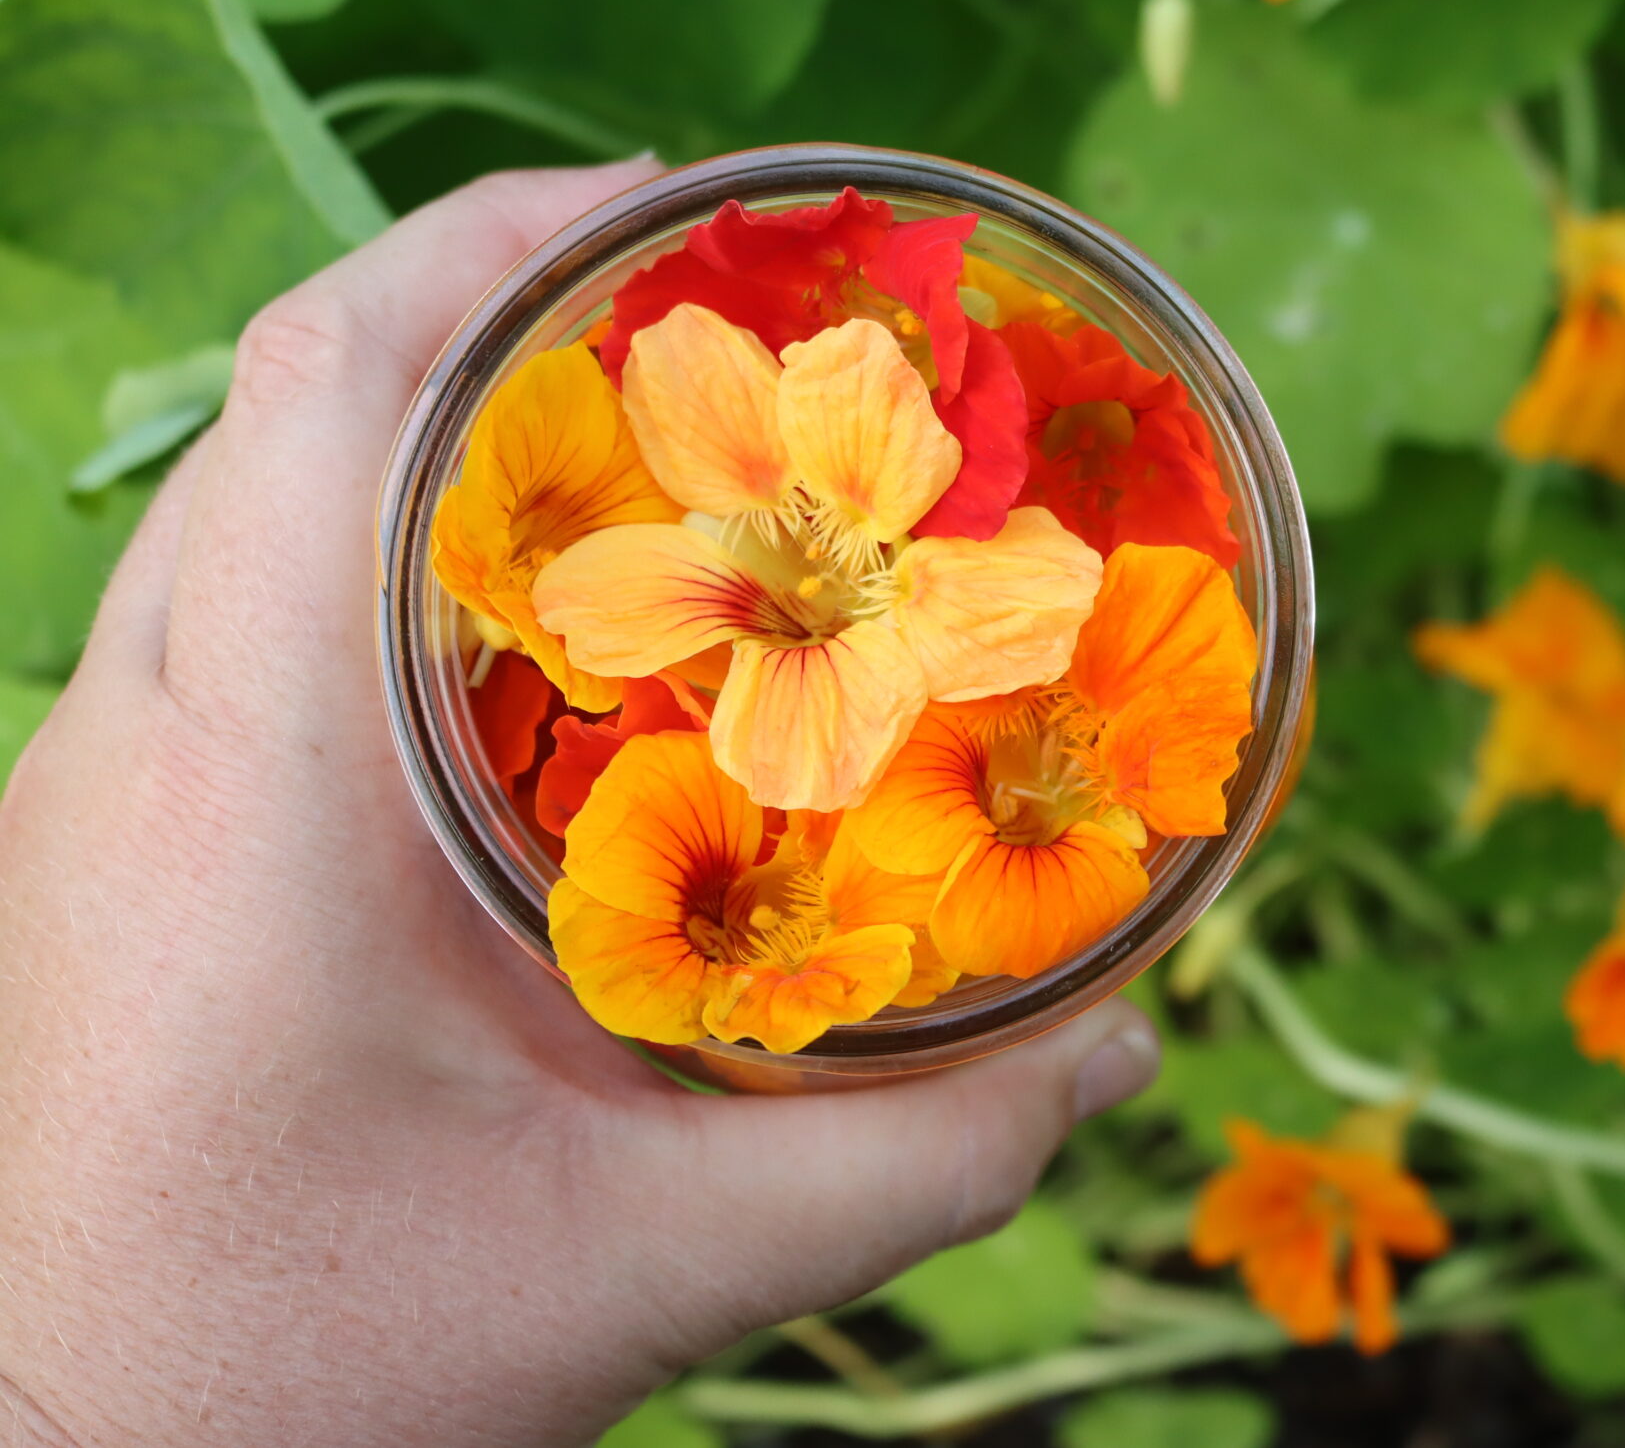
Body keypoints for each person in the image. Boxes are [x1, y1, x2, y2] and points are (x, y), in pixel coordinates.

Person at [0, 161, 1161, 1446]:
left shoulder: (882, 603)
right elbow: (755, 607)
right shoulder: (721, 591)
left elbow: (837, 606)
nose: (815, 585)